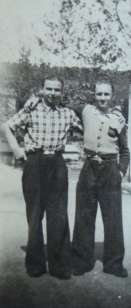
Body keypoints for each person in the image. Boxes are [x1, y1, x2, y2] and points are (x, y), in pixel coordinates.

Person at [25, 76, 130, 278]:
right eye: (99, 93)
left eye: (106, 94)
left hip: (110, 170)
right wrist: (34, 98)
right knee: (84, 217)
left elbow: (125, 150)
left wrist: (120, 171)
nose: (102, 97)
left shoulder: (119, 119)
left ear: (112, 96)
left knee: (113, 219)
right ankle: (82, 261)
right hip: (88, 169)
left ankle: (114, 263)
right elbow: (58, 101)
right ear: (94, 95)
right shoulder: (85, 111)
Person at [3, 76, 82, 280]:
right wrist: (16, 149)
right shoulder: (31, 110)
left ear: (61, 92)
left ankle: (59, 265)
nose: (53, 93)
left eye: (57, 90)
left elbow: (88, 129)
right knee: (35, 214)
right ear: (42, 90)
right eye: (49, 89)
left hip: (57, 164)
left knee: (58, 216)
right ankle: (35, 264)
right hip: (35, 163)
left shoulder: (68, 114)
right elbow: (7, 127)